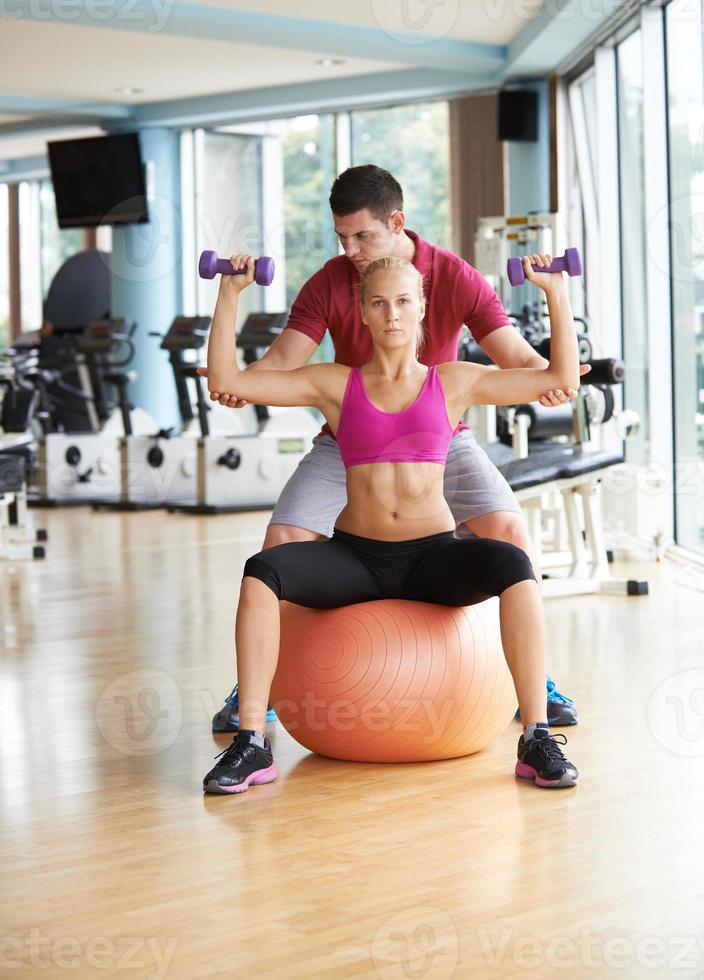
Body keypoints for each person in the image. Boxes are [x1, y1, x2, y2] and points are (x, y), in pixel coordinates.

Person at [203, 167, 583, 734]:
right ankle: (266, 683)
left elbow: (520, 361)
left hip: (439, 433)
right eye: (341, 238)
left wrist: (553, 378)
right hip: (349, 436)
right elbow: (282, 364)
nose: (349, 250)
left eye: (362, 237)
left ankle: (535, 683)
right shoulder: (332, 282)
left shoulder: (454, 277)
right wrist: (238, 380)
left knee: (509, 534)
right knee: (281, 541)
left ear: (397, 223)